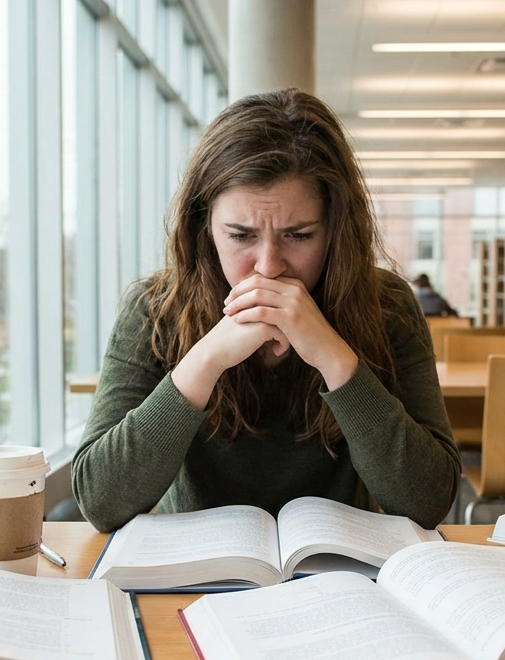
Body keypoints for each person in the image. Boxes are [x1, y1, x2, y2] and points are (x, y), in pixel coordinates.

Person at [72, 89, 460, 533]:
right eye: (240, 236)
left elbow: (428, 502)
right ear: (205, 228)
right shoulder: (154, 308)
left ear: (336, 230)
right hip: (197, 566)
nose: (269, 266)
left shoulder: (387, 305)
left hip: (339, 565)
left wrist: (334, 358)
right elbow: (101, 502)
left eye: (299, 235)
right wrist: (205, 359)